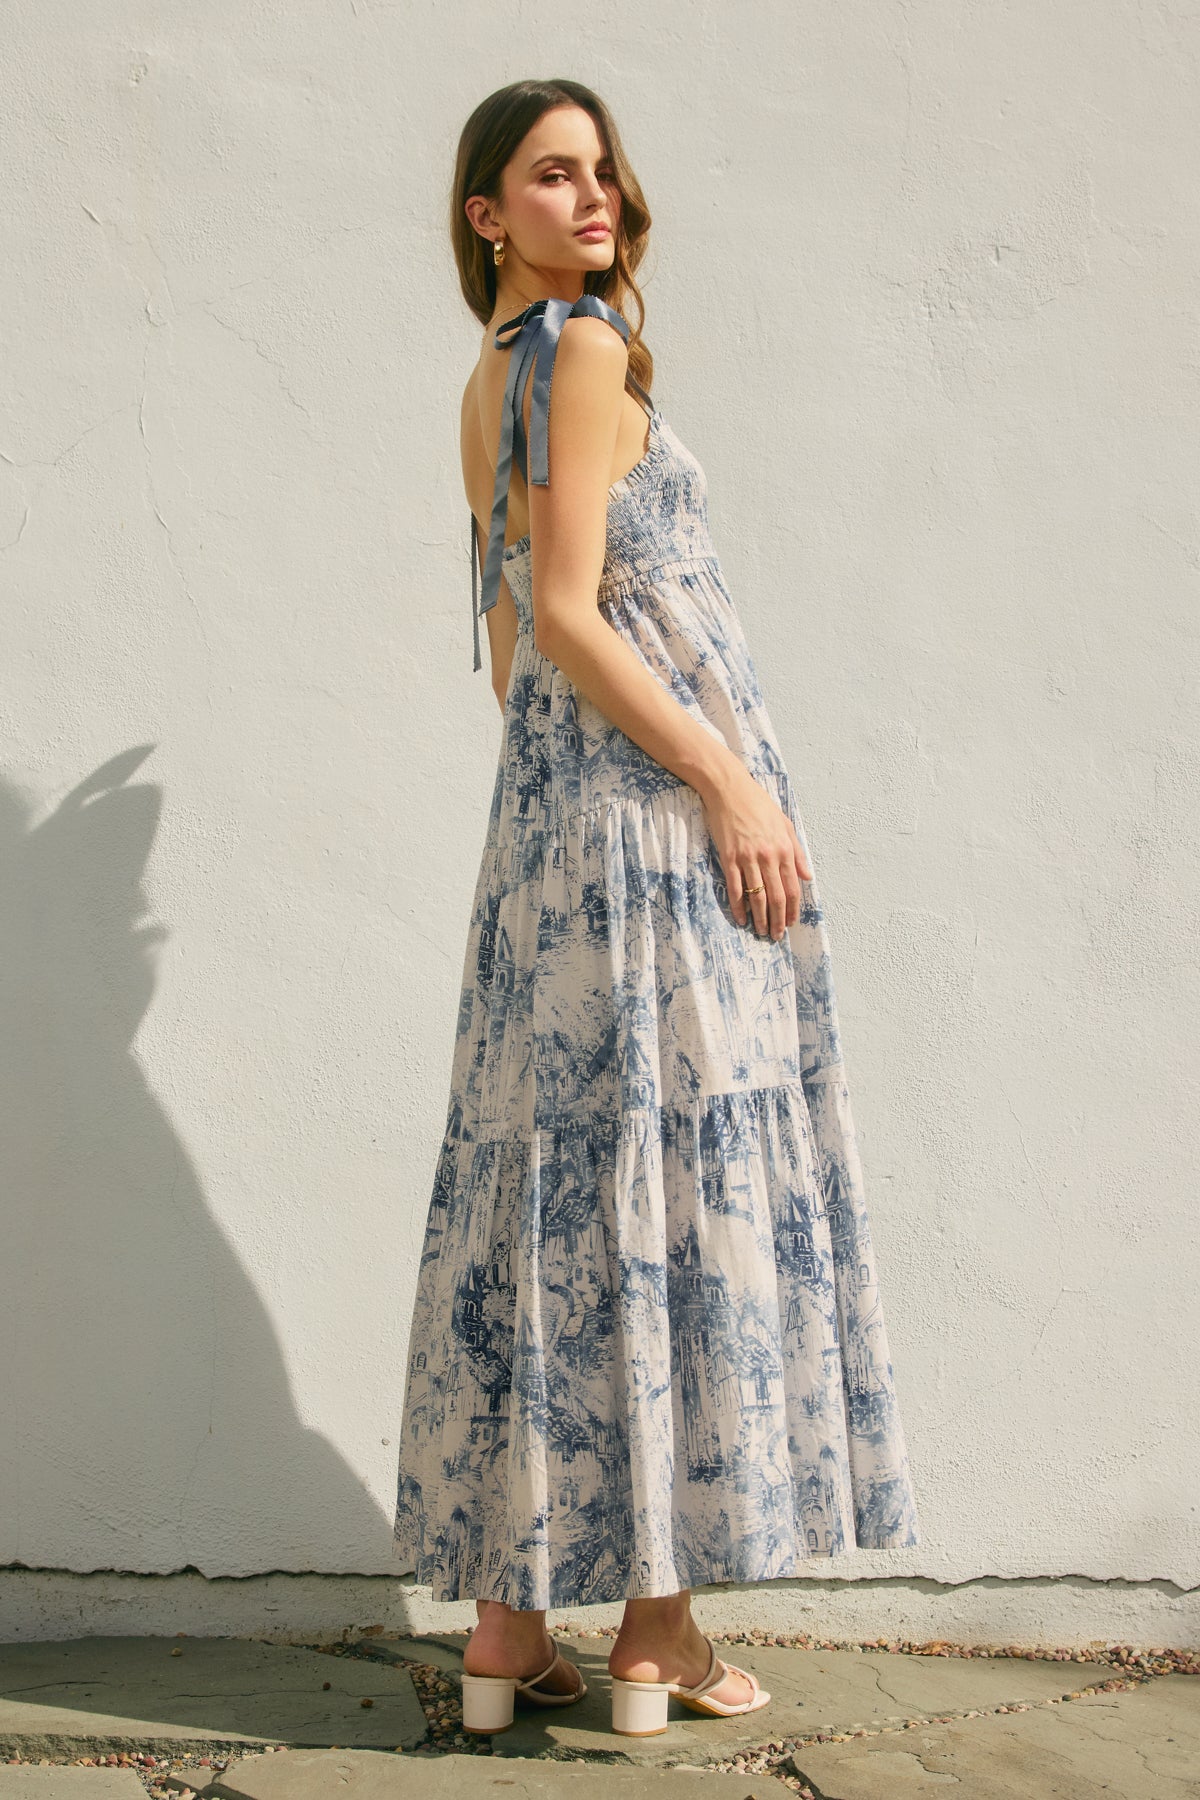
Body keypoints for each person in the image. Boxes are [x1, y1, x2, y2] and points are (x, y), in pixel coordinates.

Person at [392, 77, 920, 1740]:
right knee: (676, 1181)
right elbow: (566, 612)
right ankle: (658, 1632)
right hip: (653, 824)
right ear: (488, 213)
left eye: (604, 169)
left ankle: (506, 1629)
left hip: (551, 841)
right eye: (554, 175)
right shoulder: (587, 349)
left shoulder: (490, 379)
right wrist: (726, 783)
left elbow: (509, 659)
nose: (597, 194)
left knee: (554, 1186)